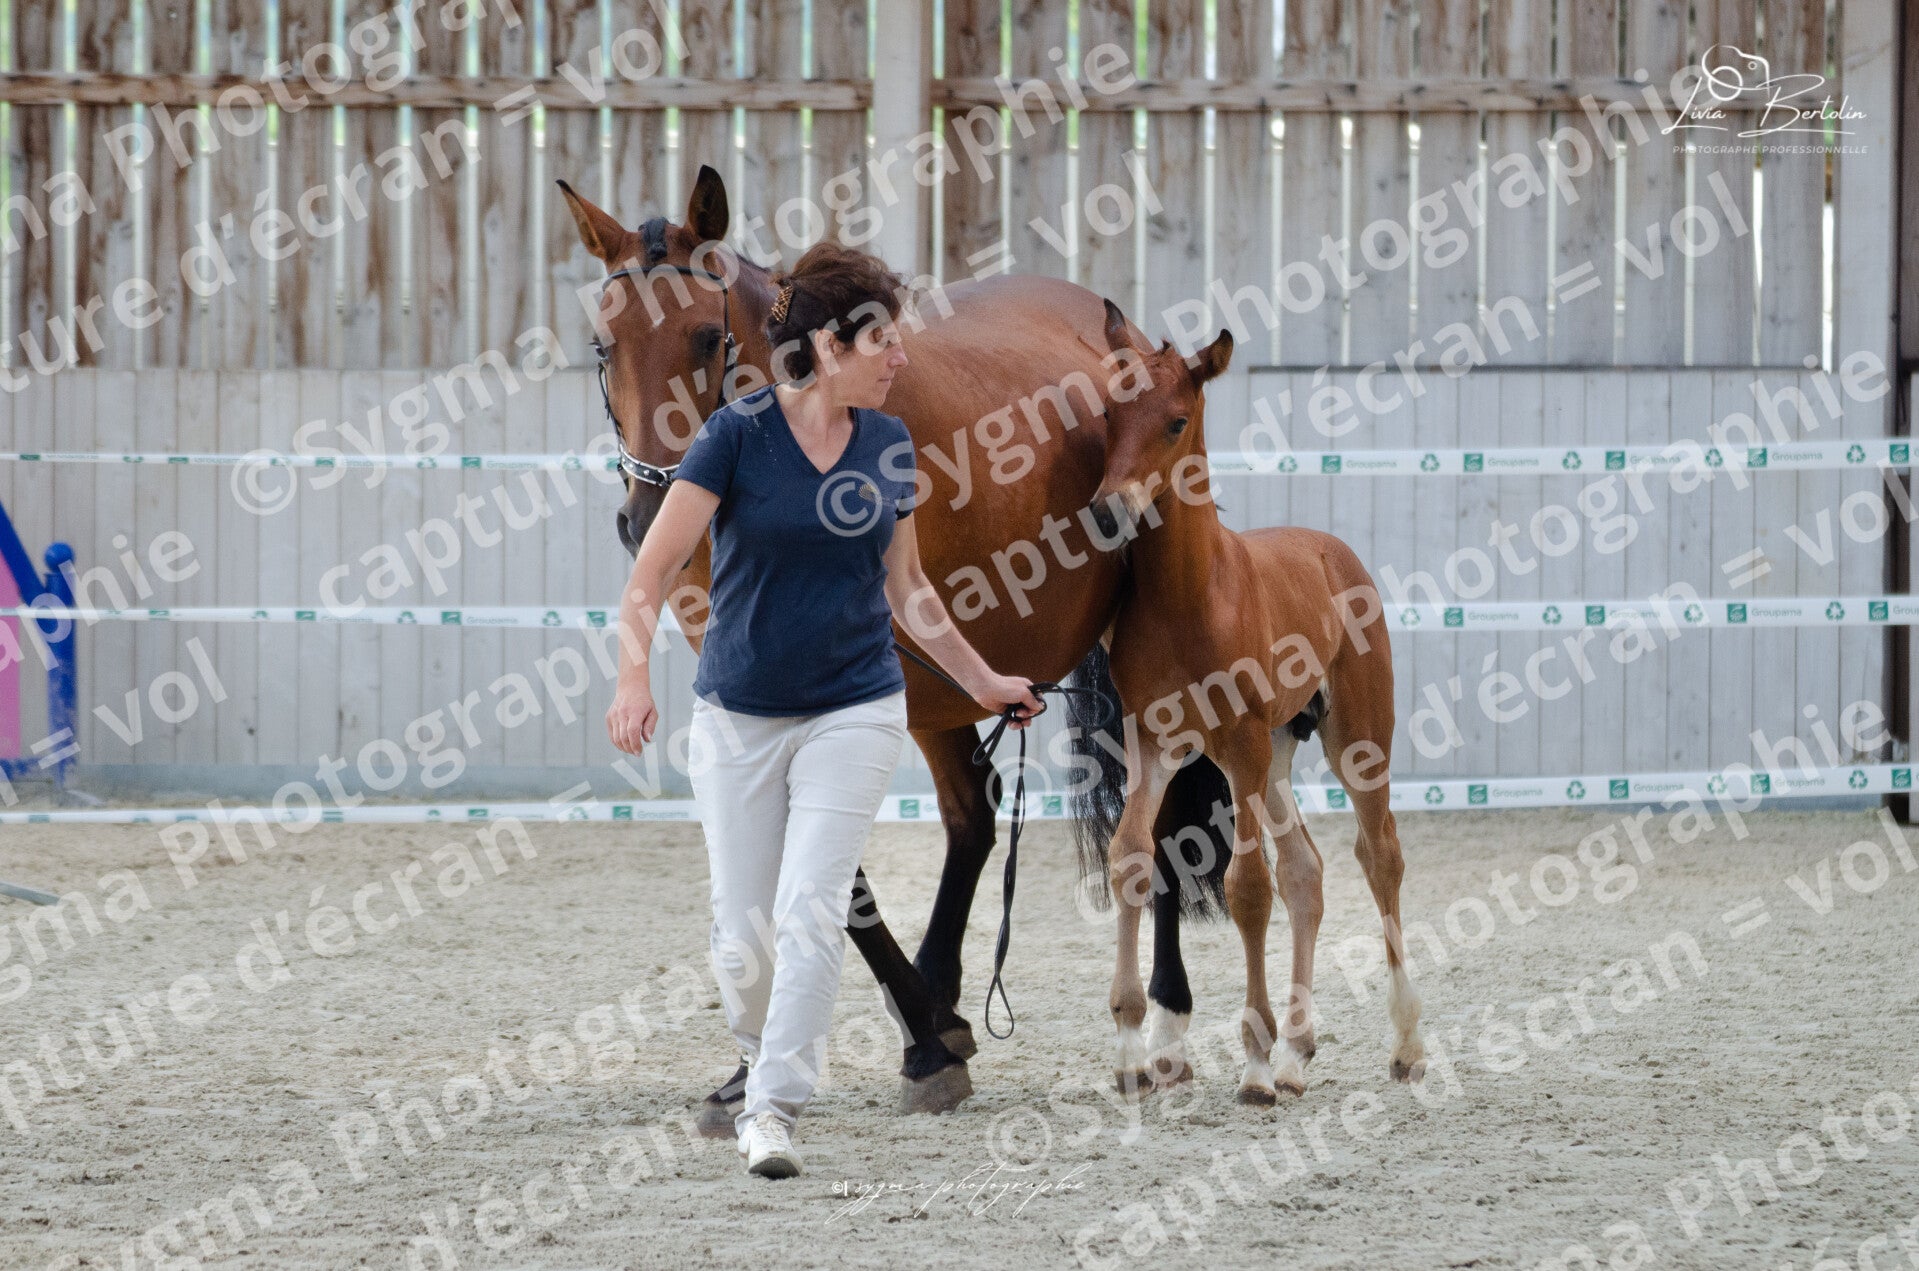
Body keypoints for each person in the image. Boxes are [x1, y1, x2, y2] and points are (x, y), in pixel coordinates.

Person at [604, 242, 1042, 1179]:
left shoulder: (888, 445)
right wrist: (632, 676)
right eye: (883, 341)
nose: (899, 357)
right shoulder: (735, 436)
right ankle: (758, 1054)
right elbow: (653, 569)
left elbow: (910, 590)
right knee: (743, 939)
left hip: (855, 709)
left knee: (810, 911)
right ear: (831, 346)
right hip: (738, 717)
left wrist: (982, 681)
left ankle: (773, 1110)